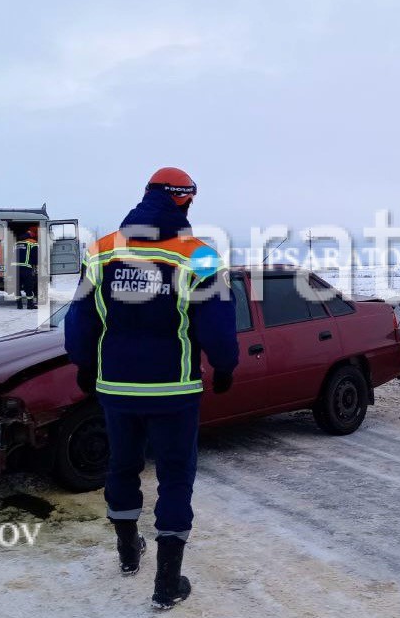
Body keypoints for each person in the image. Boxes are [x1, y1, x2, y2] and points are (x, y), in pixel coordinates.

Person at [64, 167, 238, 611]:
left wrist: (84, 364)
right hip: (174, 389)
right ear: (184, 201)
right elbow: (218, 325)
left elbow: (80, 318)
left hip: (116, 388)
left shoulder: (102, 250)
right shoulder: (199, 255)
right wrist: (224, 367)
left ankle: (127, 554)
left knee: (121, 466)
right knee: (175, 476)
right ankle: (167, 582)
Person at [13, 228, 39, 309]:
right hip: (26, 268)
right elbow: (35, 257)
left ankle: (19, 305)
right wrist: (35, 264)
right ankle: (30, 305)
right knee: (28, 286)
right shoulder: (32, 243)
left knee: (17, 287)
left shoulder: (16, 244)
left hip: (15, 268)